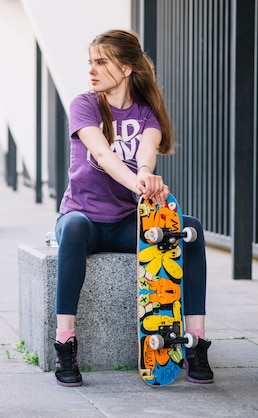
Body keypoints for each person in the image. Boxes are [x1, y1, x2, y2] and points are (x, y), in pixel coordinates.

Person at [53, 29, 213, 387]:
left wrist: (146, 175)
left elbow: (146, 155)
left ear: (126, 69)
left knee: (192, 229)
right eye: (90, 63)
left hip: (128, 223)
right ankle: (65, 343)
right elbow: (102, 154)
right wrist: (139, 184)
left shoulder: (146, 113)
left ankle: (196, 342)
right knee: (74, 227)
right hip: (85, 220)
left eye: (101, 62)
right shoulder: (85, 104)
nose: (91, 70)